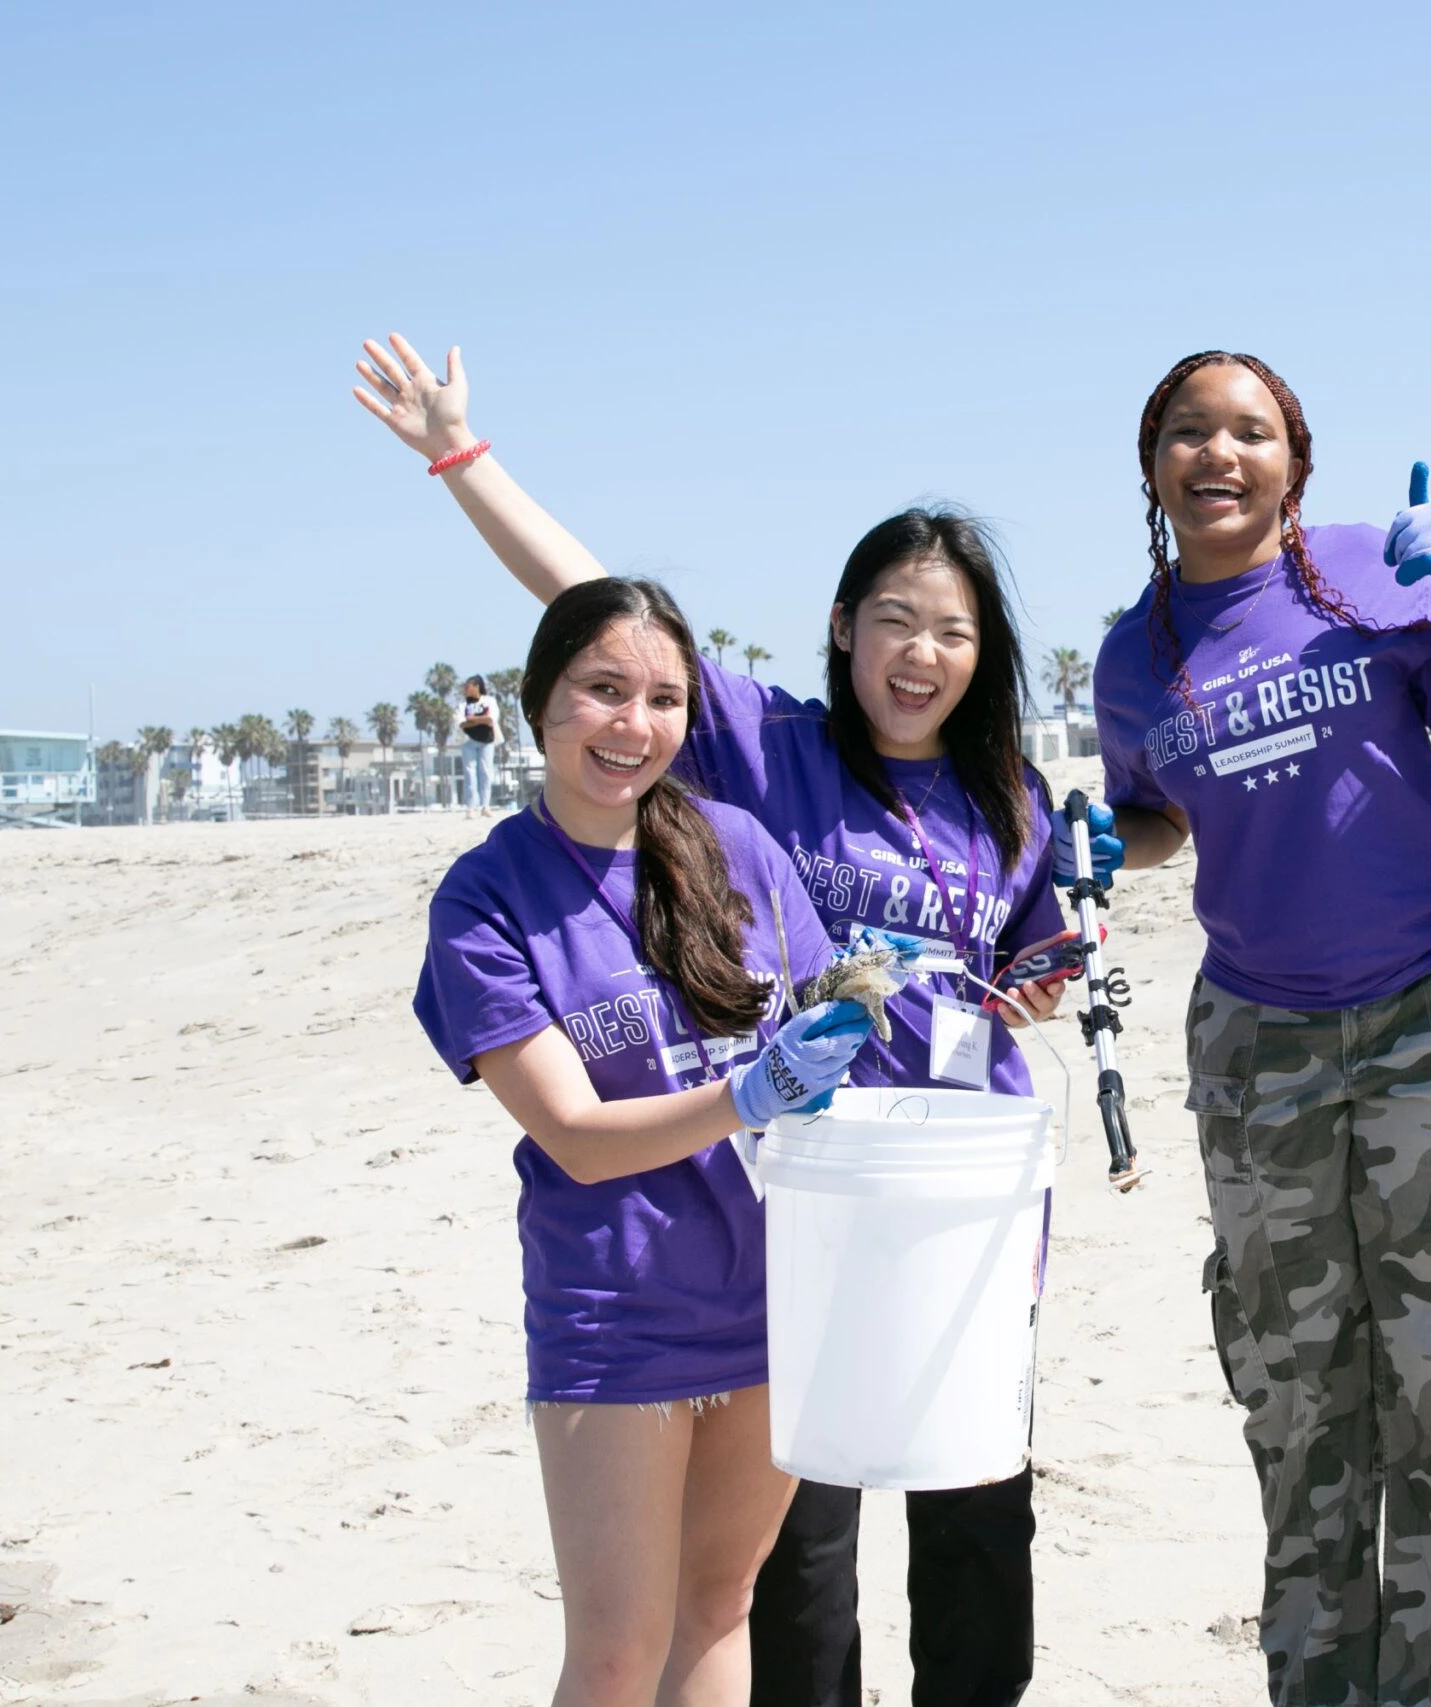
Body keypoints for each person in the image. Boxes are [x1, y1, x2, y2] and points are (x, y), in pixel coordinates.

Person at [354, 333, 1068, 1707]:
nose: (922, 651)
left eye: (956, 629)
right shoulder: (761, 757)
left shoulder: (1012, 797)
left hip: (951, 1195)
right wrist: (462, 456)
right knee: (784, 1581)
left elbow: (1022, 965)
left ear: (987, 656)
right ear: (845, 627)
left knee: (968, 1527)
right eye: (896, 618)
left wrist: (1042, 974)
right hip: (790, 1202)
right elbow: (602, 618)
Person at [1077, 350, 1431, 1707]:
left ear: (1297, 460)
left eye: (1250, 432)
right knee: (1297, 1391)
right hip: (1260, 1039)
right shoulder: (1134, 649)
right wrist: (1117, 840)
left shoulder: (1364, 569)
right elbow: (1157, 814)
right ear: (1152, 462)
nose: (1218, 454)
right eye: (1187, 432)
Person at [413, 575, 882, 1706]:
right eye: (603, 690)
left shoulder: (736, 847)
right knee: (618, 1651)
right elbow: (575, 1136)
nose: (636, 725)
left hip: (771, 1296)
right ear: (539, 703)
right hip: (615, 1313)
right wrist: (747, 1097)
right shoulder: (487, 897)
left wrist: (867, 1008)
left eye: (664, 699)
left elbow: (832, 1001)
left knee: (720, 1609)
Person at [459, 674, 499, 813]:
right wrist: (479, 720)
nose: (465, 689)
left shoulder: (489, 701)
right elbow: (461, 724)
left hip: (487, 741)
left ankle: (485, 805)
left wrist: (472, 719)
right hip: (468, 742)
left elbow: (491, 719)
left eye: (468, 686)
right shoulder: (463, 705)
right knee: (470, 773)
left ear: (477, 687)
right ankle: (471, 806)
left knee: (486, 772)